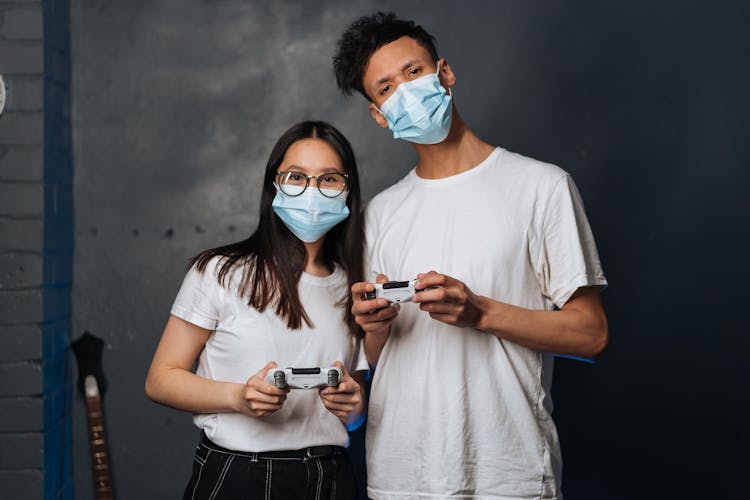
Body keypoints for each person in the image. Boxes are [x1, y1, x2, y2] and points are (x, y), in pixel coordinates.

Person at [333, 12, 609, 499]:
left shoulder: (541, 187)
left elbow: (591, 334)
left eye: (413, 72)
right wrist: (375, 328)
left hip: (509, 474)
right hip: (402, 477)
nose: (406, 92)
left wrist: (480, 311)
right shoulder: (380, 213)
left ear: (445, 72)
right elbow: (381, 361)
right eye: (386, 88)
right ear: (379, 114)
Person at [145, 121, 369, 499]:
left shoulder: (354, 287)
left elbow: (355, 409)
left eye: (329, 179)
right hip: (239, 475)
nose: (311, 191)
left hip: (331, 477)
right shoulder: (221, 272)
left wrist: (353, 404)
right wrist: (238, 397)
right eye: (296, 176)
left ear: (347, 190)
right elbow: (161, 379)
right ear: (274, 185)